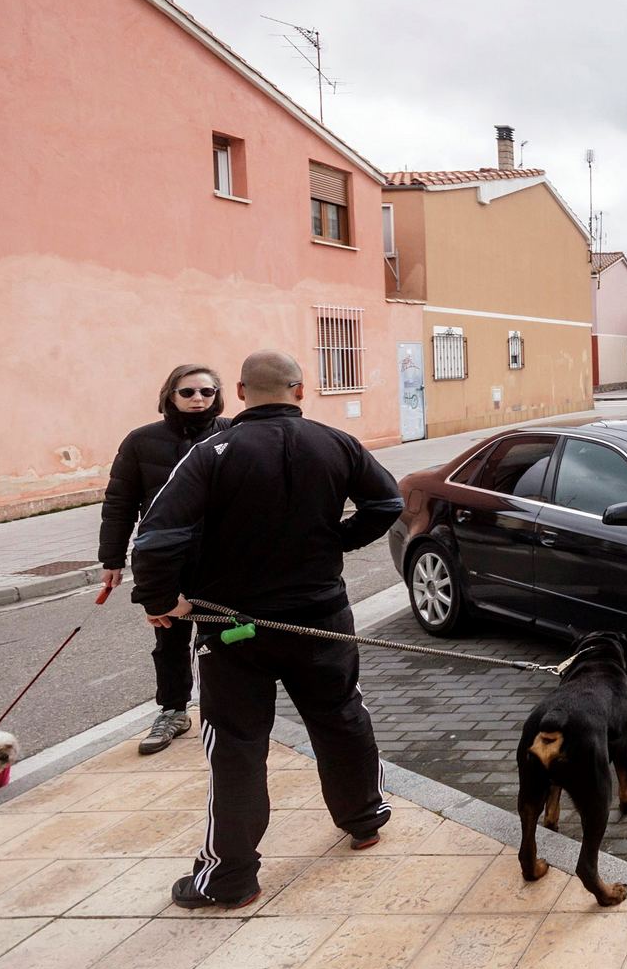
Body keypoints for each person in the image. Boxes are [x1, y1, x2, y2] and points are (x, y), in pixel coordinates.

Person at [130, 349, 405, 910]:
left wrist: (160, 600)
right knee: (341, 716)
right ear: (300, 390)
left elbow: (156, 536)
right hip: (322, 620)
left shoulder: (213, 452)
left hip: (234, 628)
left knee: (235, 745)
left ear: (239, 392)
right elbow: (387, 502)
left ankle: (230, 878)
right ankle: (364, 818)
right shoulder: (338, 443)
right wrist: (336, 540)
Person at [98, 363, 230, 755]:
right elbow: (119, 503)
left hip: (222, 558)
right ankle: (173, 710)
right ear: (170, 395)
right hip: (167, 561)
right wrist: (112, 559)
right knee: (169, 638)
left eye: (206, 392)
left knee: (225, 638)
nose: (198, 399)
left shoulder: (233, 433)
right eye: (188, 392)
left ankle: (229, 710)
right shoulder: (141, 442)